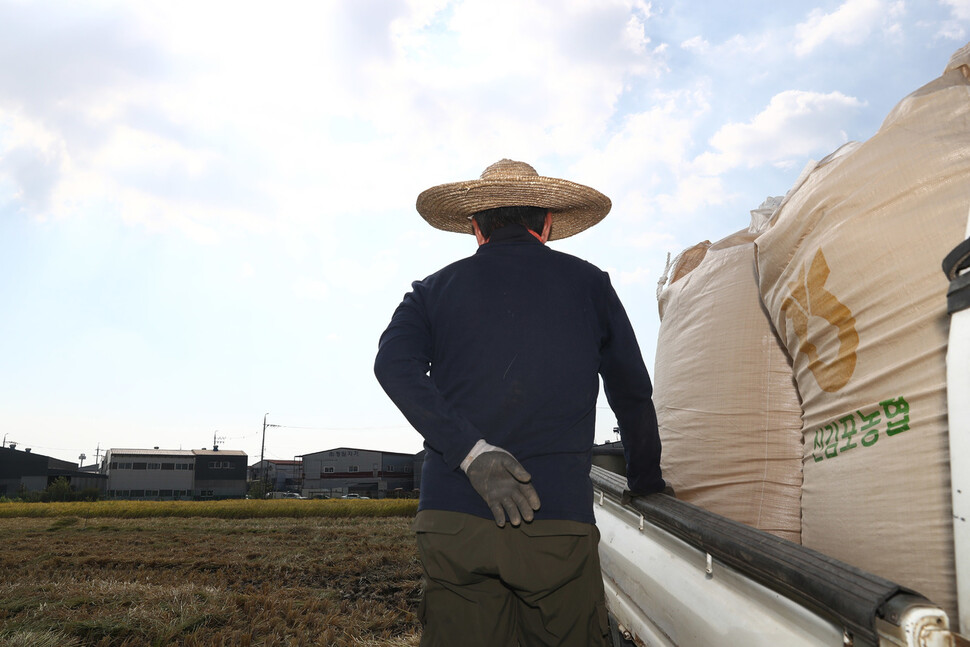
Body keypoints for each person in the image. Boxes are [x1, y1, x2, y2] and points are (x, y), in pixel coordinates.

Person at [374, 159, 665, 647]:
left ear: (475, 227)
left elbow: (392, 366)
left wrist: (471, 452)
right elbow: (631, 393)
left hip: (453, 524)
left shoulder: (431, 291)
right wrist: (645, 482)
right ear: (547, 224)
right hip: (554, 525)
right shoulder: (590, 284)